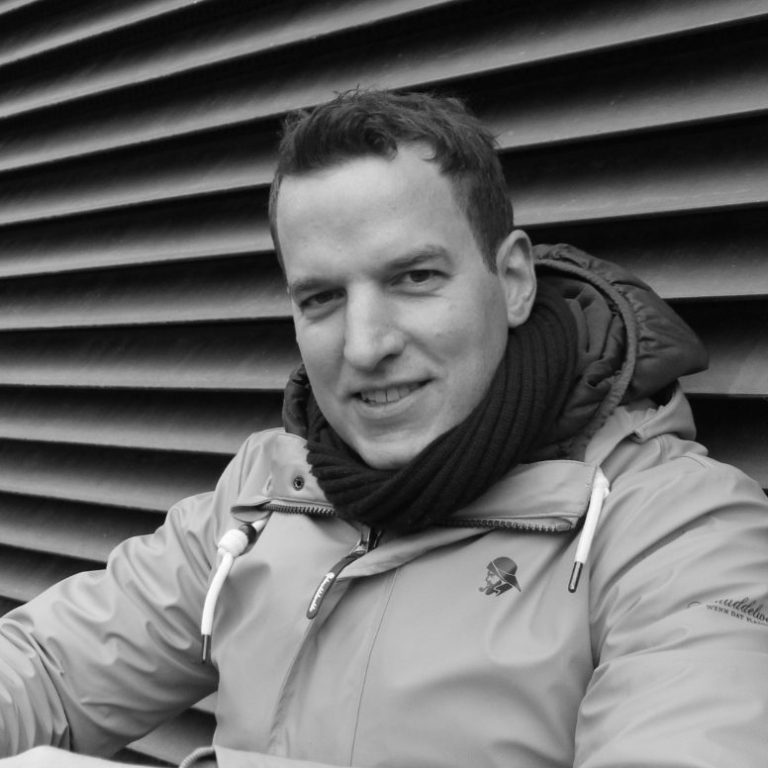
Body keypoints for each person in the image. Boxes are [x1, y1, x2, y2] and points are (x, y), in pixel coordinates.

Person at [1, 89, 767, 768]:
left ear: (512, 281)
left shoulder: (681, 531)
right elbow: (50, 668)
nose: (365, 346)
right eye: (321, 298)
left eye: (414, 277)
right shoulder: (266, 495)